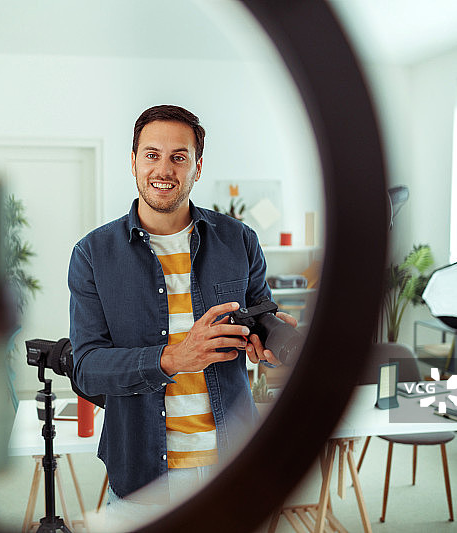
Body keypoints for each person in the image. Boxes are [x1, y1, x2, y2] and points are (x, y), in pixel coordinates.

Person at [68, 104, 296, 511]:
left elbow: (261, 317)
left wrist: (273, 347)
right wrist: (173, 358)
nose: (164, 169)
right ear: (133, 162)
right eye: (152, 155)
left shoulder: (240, 240)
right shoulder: (92, 254)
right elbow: (86, 367)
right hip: (142, 471)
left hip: (233, 462)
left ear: (198, 166)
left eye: (179, 157)